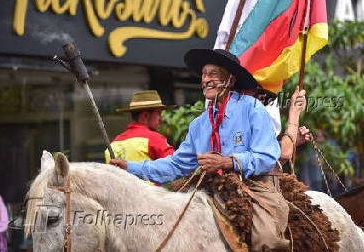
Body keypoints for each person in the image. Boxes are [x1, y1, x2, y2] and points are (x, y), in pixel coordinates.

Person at [111, 49, 291, 251]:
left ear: (230, 81)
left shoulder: (252, 108)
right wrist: (129, 167)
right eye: (204, 75)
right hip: (213, 188)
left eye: (213, 74)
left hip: (255, 187)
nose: (206, 80)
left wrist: (227, 162)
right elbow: (175, 165)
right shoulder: (199, 124)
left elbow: (267, 157)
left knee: (266, 239)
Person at [105, 90, 176, 170]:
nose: (161, 119)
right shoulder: (154, 139)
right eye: (158, 113)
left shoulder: (113, 144)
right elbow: (176, 166)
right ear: (145, 115)